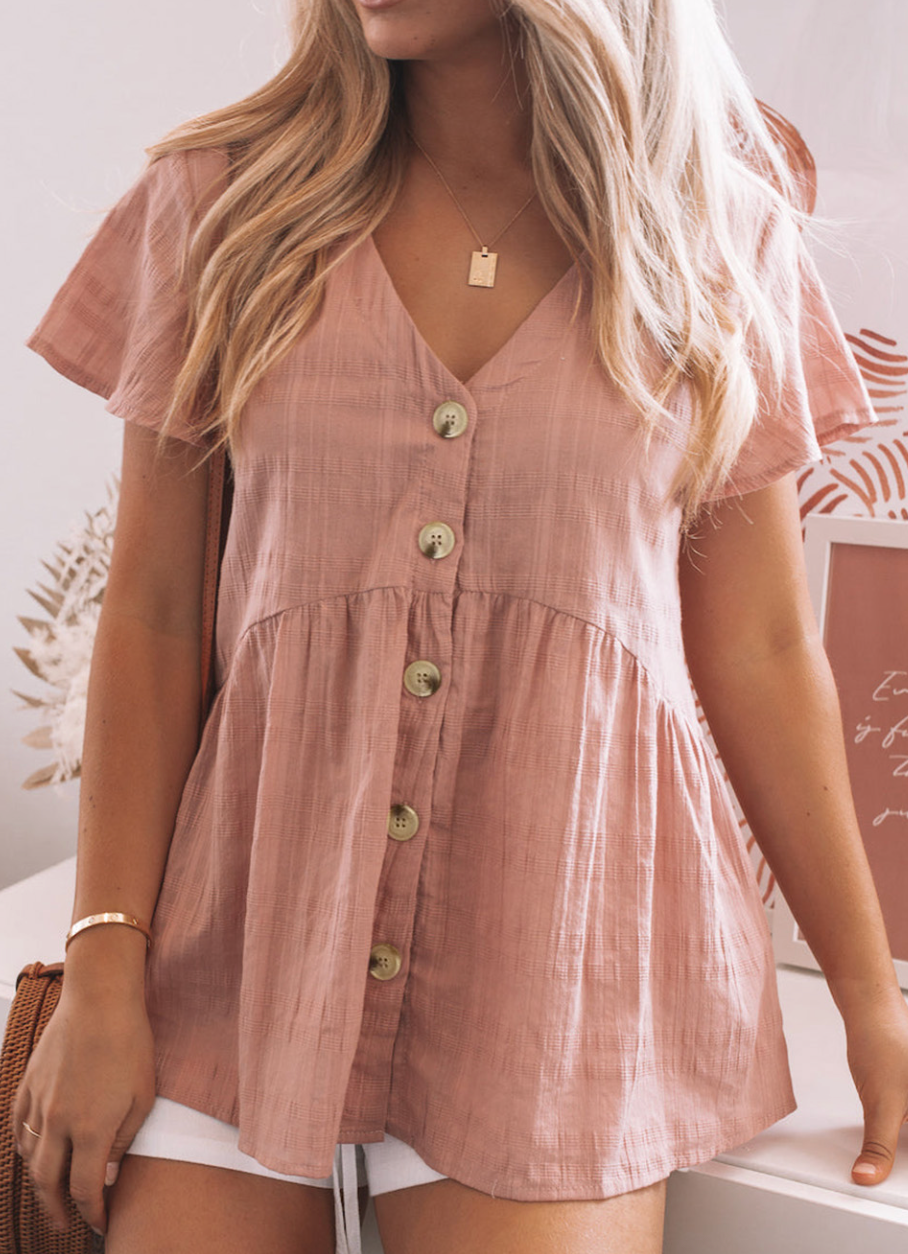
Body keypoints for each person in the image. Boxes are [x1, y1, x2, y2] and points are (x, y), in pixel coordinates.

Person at [14, 1, 908, 1252]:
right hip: (240, 955)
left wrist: (869, 998)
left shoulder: (712, 236)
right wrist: (104, 968)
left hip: (559, 979)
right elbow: (156, 614)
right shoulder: (221, 203)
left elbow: (757, 648)